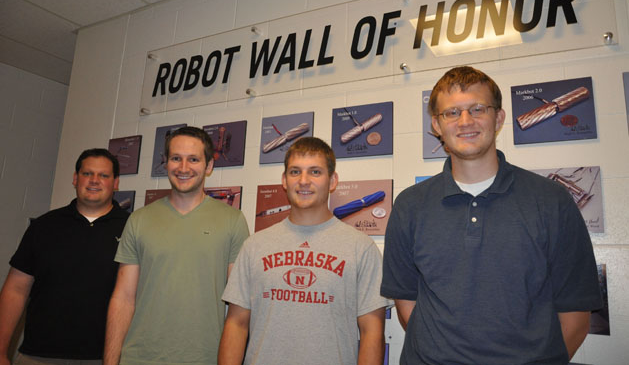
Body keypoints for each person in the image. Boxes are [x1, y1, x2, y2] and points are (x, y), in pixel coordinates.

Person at [381, 66, 602, 364]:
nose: (465, 121)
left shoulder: (551, 200)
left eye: (477, 109)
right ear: (436, 124)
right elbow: (406, 302)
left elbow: (576, 313)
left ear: (498, 118)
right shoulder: (410, 205)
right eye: (452, 113)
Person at [219, 137, 389, 365]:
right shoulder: (254, 246)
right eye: (295, 172)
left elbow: (372, 332)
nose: (304, 181)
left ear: (332, 181)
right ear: (284, 180)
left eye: (315, 172)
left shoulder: (361, 248)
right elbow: (236, 324)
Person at [105, 126, 249, 365]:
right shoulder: (139, 220)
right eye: (175, 158)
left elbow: (239, 310)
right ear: (166, 163)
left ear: (209, 166)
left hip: (204, 358)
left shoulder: (233, 221)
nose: (183, 168)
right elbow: (123, 298)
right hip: (139, 358)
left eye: (193, 159)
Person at [0, 149, 129, 365]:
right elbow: (15, 290)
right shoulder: (43, 226)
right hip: (38, 356)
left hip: (106, 358)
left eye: (104, 175)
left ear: (115, 183)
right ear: (75, 178)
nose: (94, 181)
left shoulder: (132, 229)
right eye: (87, 174)